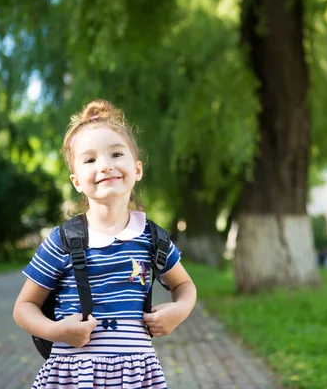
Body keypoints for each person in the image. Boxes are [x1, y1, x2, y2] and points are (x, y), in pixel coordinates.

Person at [13, 99, 197, 389]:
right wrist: (56, 330)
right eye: (90, 160)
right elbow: (24, 307)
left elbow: (184, 286)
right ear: (77, 181)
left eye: (116, 154)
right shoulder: (62, 241)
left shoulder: (153, 238)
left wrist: (179, 311)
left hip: (135, 375)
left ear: (137, 170)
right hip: (73, 375)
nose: (105, 166)